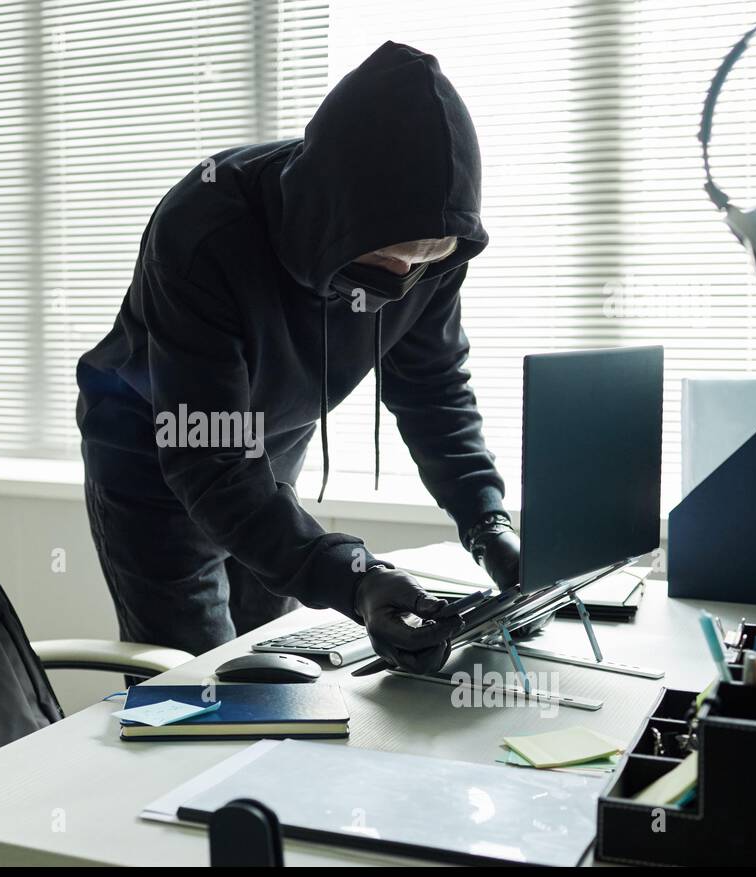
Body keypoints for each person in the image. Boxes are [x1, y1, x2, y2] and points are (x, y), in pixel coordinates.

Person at [76, 41, 523, 674]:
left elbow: (434, 391)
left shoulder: (437, 251)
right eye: (389, 256)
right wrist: (356, 579)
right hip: (154, 452)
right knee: (197, 680)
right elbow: (210, 460)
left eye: (425, 259)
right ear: (333, 218)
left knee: (277, 664)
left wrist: (486, 520)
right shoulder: (205, 230)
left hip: (276, 440)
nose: (404, 276)